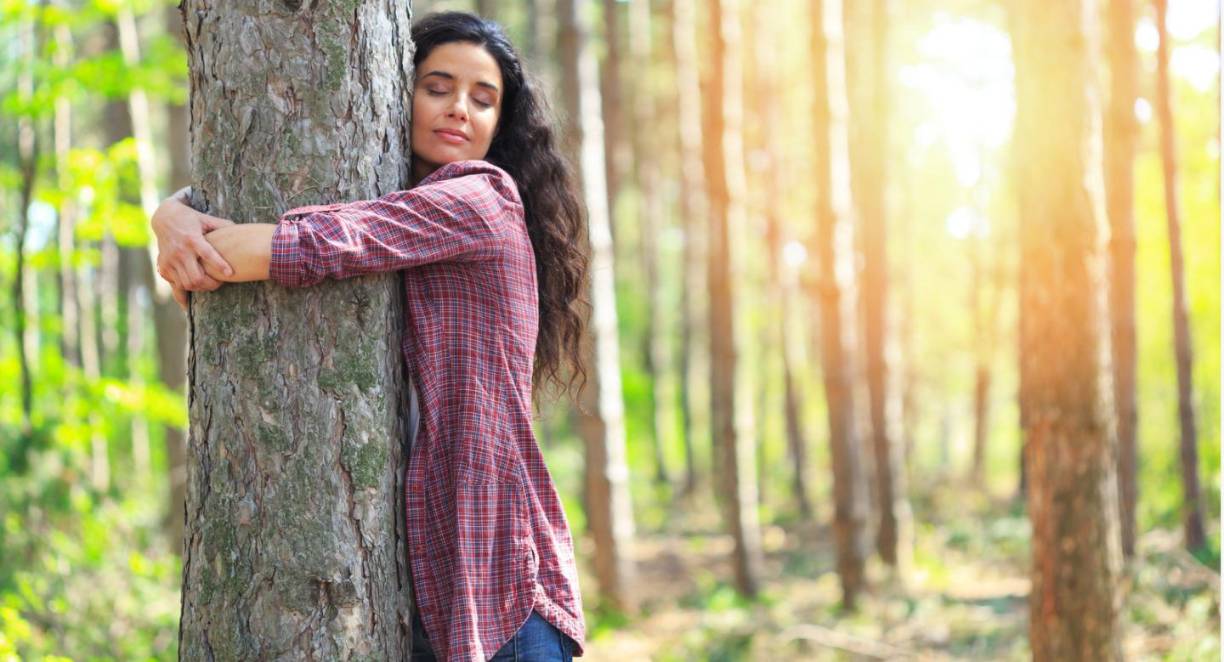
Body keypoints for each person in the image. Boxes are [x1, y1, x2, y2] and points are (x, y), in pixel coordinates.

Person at [150, 12, 589, 662]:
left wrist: (177, 219)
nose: (460, 109)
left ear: (502, 123)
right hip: (426, 593)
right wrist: (172, 213)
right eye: (437, 86)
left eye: (483, 98)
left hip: (502, 592)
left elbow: (310, 244)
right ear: (397, 89)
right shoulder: (407, 209)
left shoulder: (482, 199)